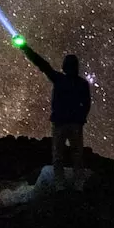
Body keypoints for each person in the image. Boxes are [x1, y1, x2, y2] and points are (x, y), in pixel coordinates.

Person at [17, 41, 91, 188]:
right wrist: (81, 118)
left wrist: (25, 48)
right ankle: (78, 185)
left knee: (58, 155)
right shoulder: (81, 83)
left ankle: (60, 185)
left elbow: (42, 64)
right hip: (74, 123)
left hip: (60, 123)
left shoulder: (59, 79)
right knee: (76, 155)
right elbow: (87, 104)